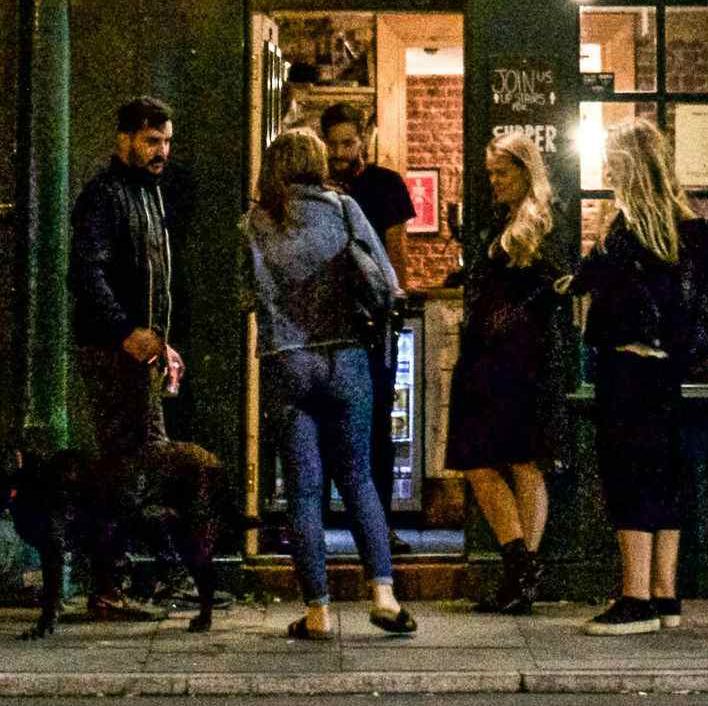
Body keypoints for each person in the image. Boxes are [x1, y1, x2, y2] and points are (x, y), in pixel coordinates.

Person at [238, 128, 416, 640]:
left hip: (286, 362)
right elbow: (385, 280)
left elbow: (243, 296)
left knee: (304, 490)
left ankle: (317, 612)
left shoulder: (254, 222)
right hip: (346, 357)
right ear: (319, 163)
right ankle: (383, 594)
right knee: (358, 477)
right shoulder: (344, 210)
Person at [560, 118, 696, 636]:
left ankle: (635, 597)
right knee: (665, 477)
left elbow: (591, 280)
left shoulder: (629, 224)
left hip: (627, 367)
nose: (606, 168)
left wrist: (586, 262)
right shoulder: (682, 220)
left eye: (613, 160)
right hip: (667, 371)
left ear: (629, 164)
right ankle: (666, 595)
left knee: (628, 475)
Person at [68, 95, 184, 620]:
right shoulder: (106, 196)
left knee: (144, 463)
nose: (161, 151)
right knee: (129, 466)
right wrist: (126, 333)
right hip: (114, 353)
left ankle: (145, 577)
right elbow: (86, 273)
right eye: (151, 141)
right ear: (124, 140)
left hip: (138, 351)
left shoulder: (147, 195)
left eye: (165, 141)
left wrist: (158, 341)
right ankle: (114, 586)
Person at [445, 133, 568, 615]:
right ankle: (521, 563)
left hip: (522, 360)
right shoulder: (500, 221)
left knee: (523, 461)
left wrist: (510, 317)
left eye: (503, 172)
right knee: (477, 461)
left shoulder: (541, 222)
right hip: (485, 357)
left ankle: (522, 569)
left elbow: (556, 286)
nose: (493, 181)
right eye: (491, 173)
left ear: (526, 170)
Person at [320, 103, 415, 553]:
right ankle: (317, 524)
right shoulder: (316, 189)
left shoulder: (385, 185)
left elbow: (397, 250)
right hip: (327, 320)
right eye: (333, 144)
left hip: (374, 320)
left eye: (348, 143)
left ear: (363, 141)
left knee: (377, 422)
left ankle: (380, 529)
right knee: (323, 422)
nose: (341, 153)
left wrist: (395, 301)